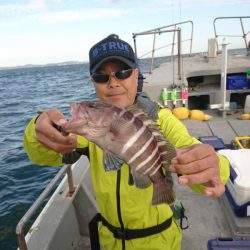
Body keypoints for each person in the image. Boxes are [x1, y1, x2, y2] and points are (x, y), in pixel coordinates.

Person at [23, 34, 229, 250]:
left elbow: (192, 151)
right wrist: (39, 129)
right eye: (101, 77)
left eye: (123, 72)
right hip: (109, 241)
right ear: (93, 82)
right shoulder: (88, 129)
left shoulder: (162, 119)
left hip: (160, 243)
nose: (113, 83)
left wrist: (213, 165)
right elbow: (43, 154)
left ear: (136, 75)